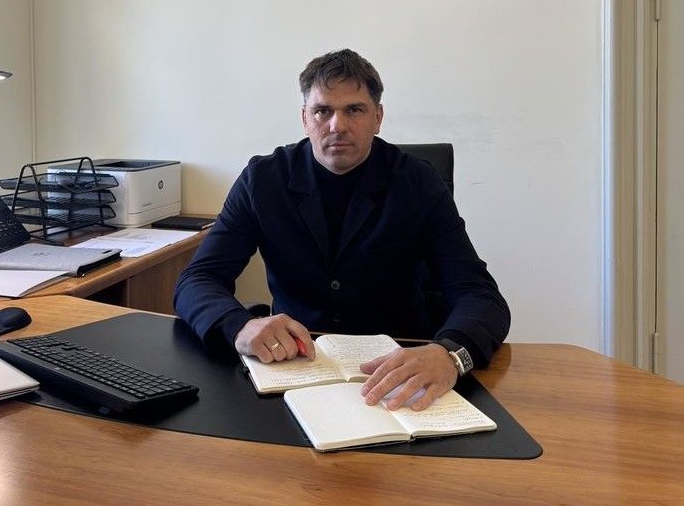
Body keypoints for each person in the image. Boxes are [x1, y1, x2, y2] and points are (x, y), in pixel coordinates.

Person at [174, 49, 509, 412]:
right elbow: (198, 279)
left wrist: (450, 355)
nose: (337, 126)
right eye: (323, 111)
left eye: (354, 110)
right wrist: (239, 326)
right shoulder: (264, 180)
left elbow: (478, 293)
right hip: (295, 364)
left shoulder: (418, 182)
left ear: (378, 117)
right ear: (305, 118)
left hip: (402, 368)